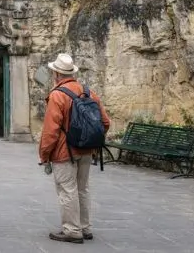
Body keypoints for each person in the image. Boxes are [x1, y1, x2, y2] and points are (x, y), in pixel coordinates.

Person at [39, 53, 110, 244]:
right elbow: (105, 122)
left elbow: (51, 130)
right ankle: (85, 228)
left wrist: (44, 154)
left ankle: (72, 230)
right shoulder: (89, 92)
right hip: (87, 150)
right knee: (82, 189)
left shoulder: (57, 95)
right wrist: (90, 141)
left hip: (64, 152)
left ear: (56, 74)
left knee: (67, 190)